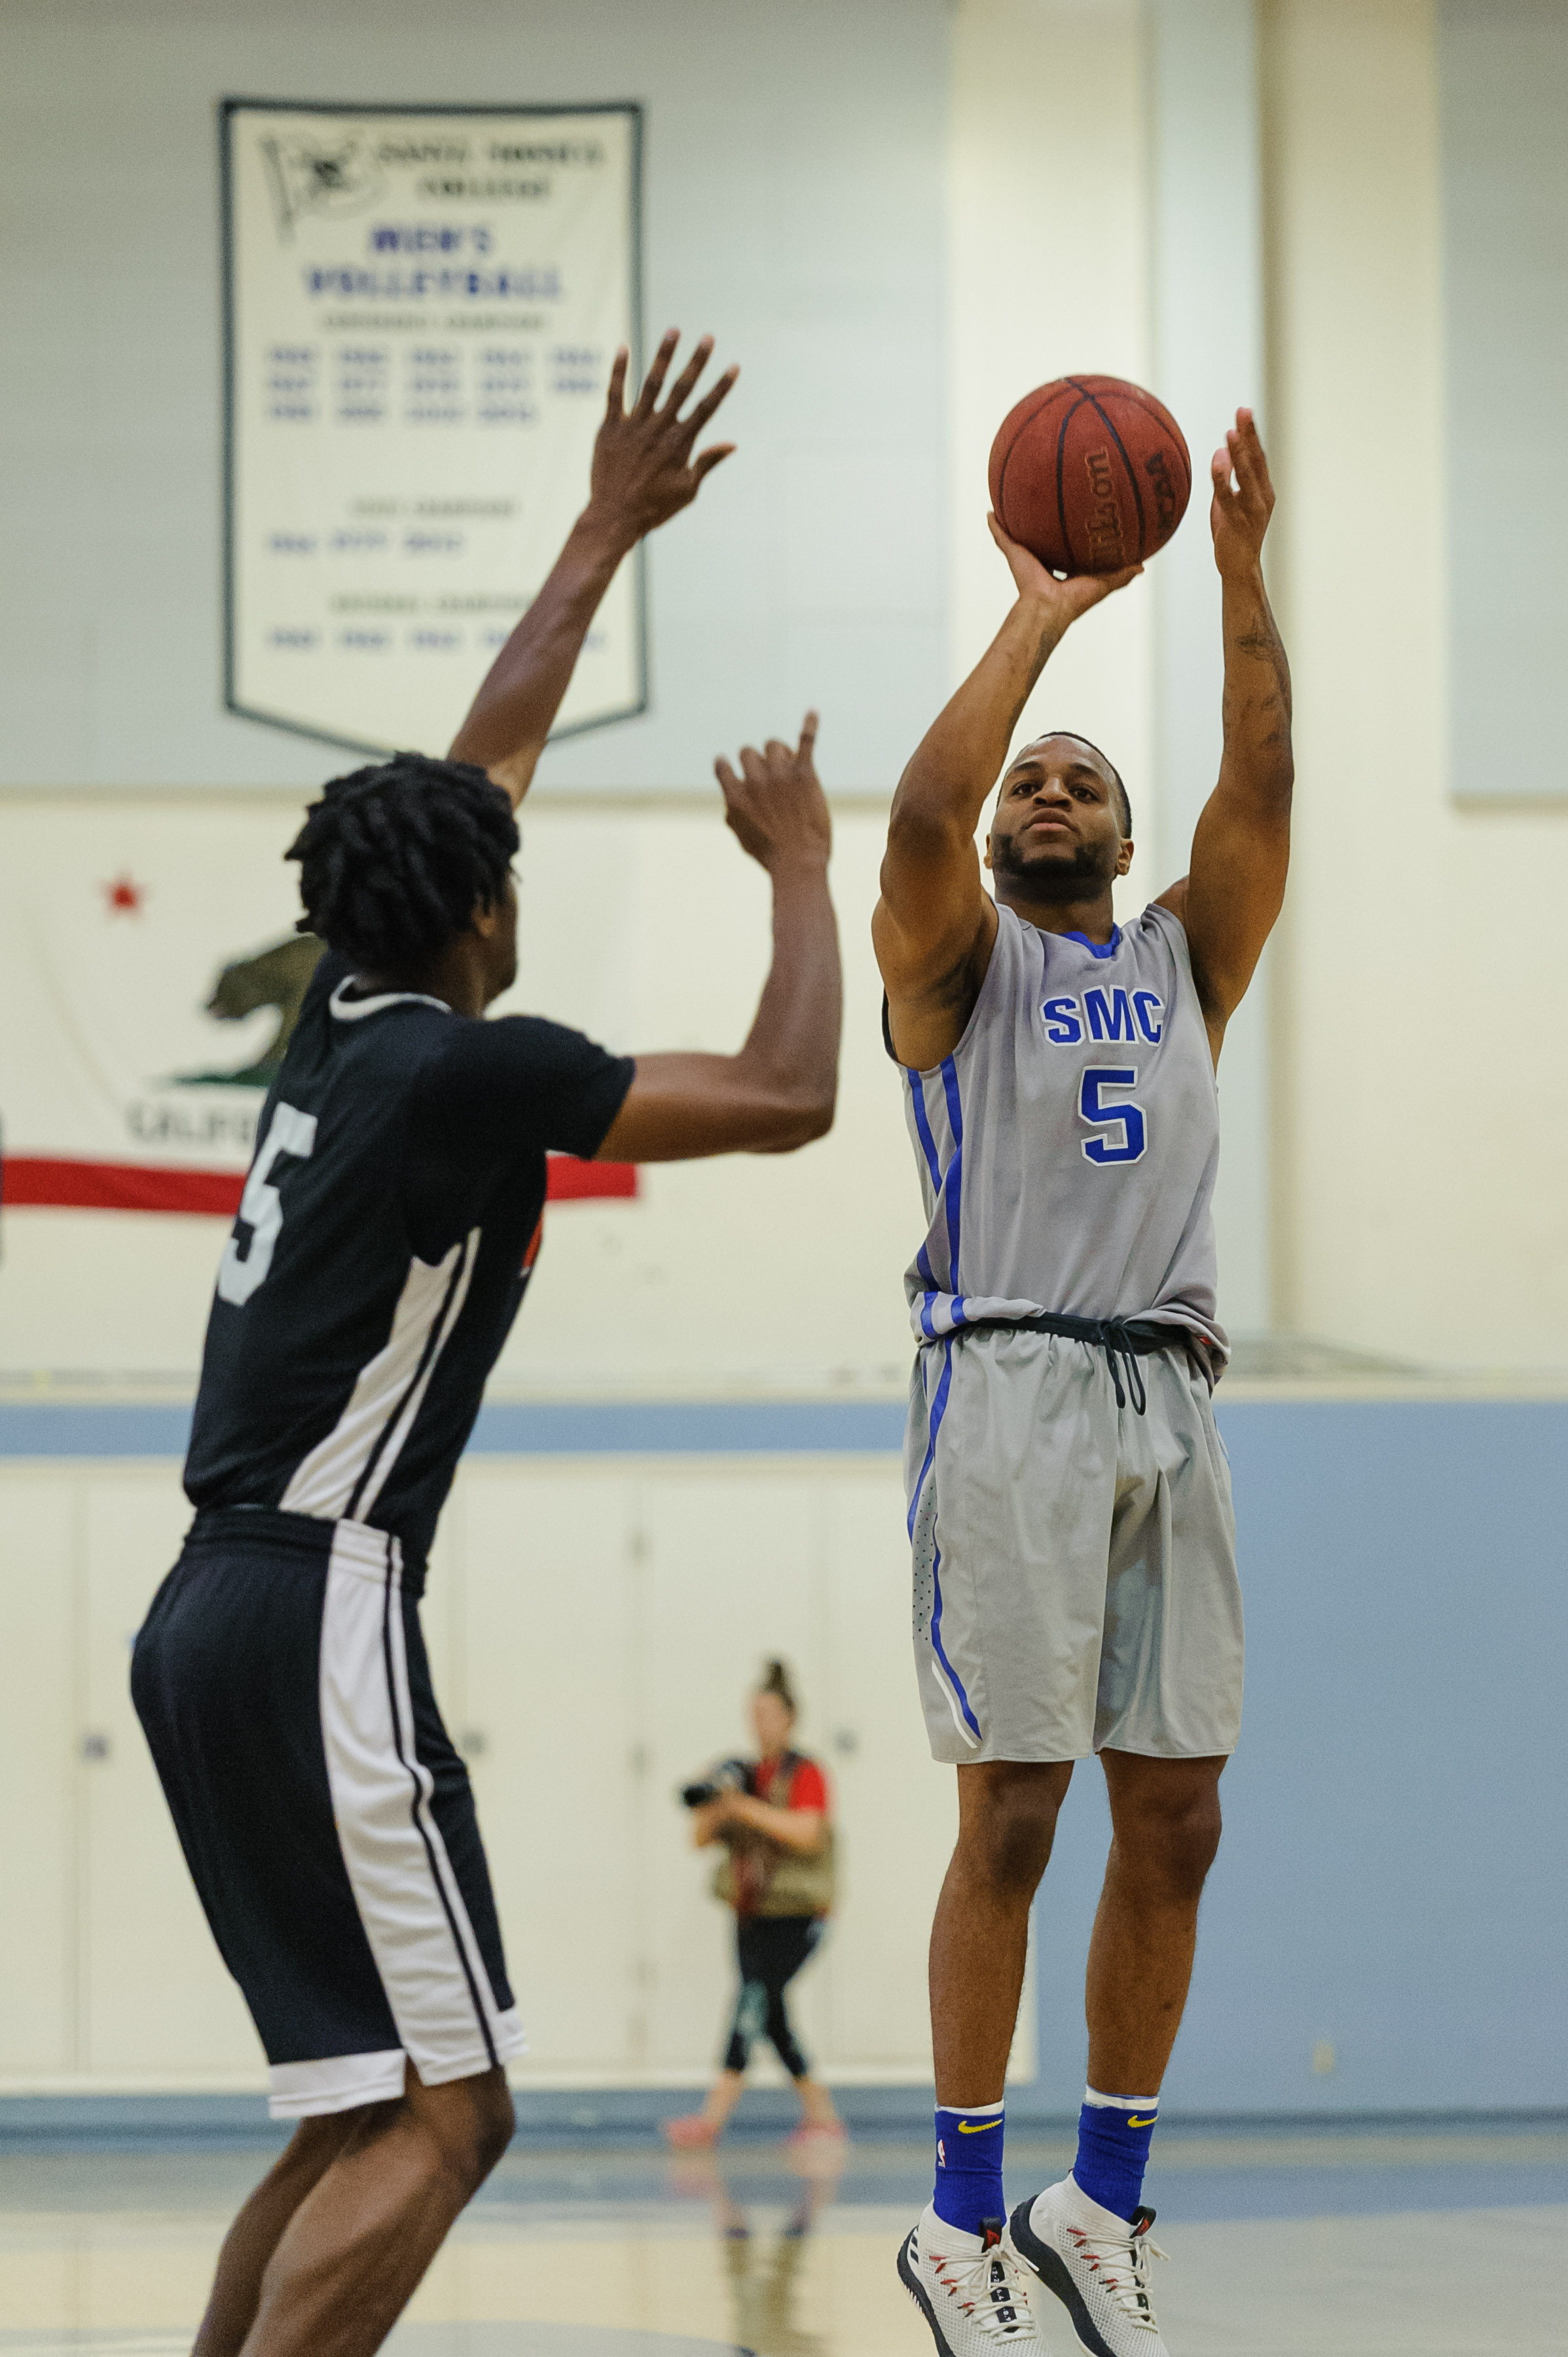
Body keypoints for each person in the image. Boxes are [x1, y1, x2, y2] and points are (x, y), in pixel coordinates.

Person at [129, 331, 843, 2357]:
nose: (509, 854)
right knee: (457, 2110)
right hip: (315, 1597)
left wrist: (604, 529)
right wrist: (800, 864)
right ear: (479, 914)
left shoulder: (336, 1016)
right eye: (501, 862)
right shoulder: (464, 1066)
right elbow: (791, 1087)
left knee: (361, 2099)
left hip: (202, 1605)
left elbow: (480, 762)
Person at [875, 412, 1290, 2356]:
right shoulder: (955, 959)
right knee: (1018, 1809)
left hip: (1169, 1396)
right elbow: (911, 819)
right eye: (1026, 777)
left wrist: (1233, 581)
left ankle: (1098, 2194)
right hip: (1009, 1386)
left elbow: (1266, 778)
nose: (1045, 783)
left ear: (1125, 841)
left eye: (1081, 780)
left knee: (1182, 1814)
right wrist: (1038, 620)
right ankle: (960, 2214)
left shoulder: (1187, 954)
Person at [665, 1660, 844, 2149]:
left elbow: (806, 1833)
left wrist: (743, 1806)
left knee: (752, 2003)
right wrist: (715, 1799)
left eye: (768, 1712)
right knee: (769, 2011)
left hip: (797, 1915)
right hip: (750, 1914)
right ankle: (822, 2117)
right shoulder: (740, 1773)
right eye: (753, 1713)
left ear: (789, 1717)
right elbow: (699, 1839)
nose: (759, 1723)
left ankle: (711, 2120)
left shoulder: (804, 1773)